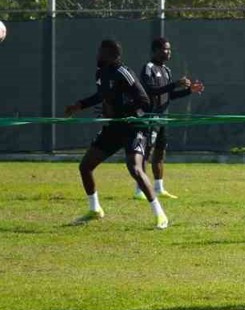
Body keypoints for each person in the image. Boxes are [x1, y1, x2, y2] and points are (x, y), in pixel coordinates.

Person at [64, 39, 168, 230]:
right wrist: (79, 105)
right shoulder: (101, 73)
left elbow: (144, 101)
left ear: (112, 55)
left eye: (101, 52)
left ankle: (160, 214)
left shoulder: (123, 72)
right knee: (85, 166)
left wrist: (123, 112)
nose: (97, 55)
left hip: (133, 127)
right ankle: (95, 210)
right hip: (114, 128)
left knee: (135, 168)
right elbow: (101, 96)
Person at [135, 38, 204, 200]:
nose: (168, 52)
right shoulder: (148, 68)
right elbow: (150, 90)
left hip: (163, 118)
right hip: (150, 118)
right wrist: (175, 84)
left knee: (160, 153)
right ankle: (139, 190)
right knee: (146, 152)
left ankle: (159, 188)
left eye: (169, 49)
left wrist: (189, 91)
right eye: (165, 49)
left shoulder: (166, 70)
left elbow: (169, 95)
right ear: (156, 50)